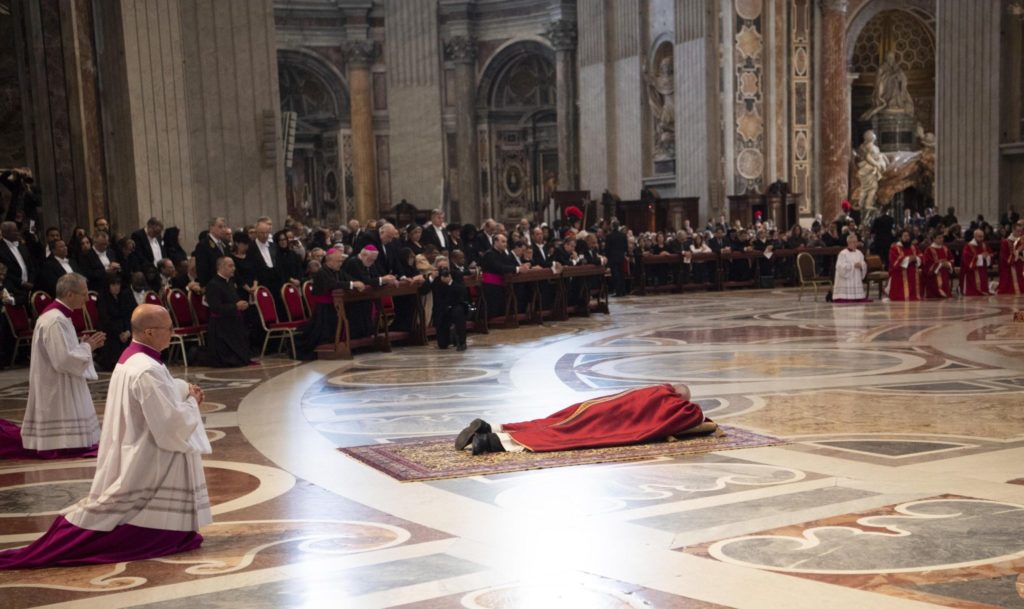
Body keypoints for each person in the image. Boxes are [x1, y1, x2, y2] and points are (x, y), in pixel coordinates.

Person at [0, 304, 211, 569]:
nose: (172, 332)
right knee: (124, 519)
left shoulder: (134, 359)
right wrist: (192, 402)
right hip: (147, 456)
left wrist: (180, 389)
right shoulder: (147, 369)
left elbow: (157, 398)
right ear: (149, 332)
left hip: (135, 443)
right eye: (168, 328)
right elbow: (170, 425)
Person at [0, 274, 106, 459]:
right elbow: (63, 360)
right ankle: (64, 443)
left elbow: (64, 352)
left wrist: (81, 345)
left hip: (58, 379)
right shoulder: (55, 320)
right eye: (83, 294)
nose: (87, 299)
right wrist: (89, 347)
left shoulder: (58, 317)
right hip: (56, 383)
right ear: (70, 294)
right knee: (59, 437)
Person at [454, 383, 716, 455]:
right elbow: (695, 417)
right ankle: (488, 441)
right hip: (609, 423)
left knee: (551, 421)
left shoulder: (656, 389)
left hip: (596, 406)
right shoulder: (674, 405)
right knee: (562, 435)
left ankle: (492, 426)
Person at [296, 249, 366, 358]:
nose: (340, 263)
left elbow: (350, 279)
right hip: (325, 309)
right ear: (329, 261)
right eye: (338, 261)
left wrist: (358, 283)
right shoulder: (322, 272)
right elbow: (333, 284)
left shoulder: (338, 271)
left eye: (341, 261)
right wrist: (353, 284)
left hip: (337, 305)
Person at [198, 257, 252, 367]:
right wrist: (235, 306)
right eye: (230, 266)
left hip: (232, 322)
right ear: (221, 267)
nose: (234, 269)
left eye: (234, 266)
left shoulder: (230, 283)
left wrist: (241, 304)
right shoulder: (213, 284)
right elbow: (215, 307)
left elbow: (233, 300)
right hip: (220, 326)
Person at [431, 255, 468, 351]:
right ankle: (451, 336)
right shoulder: (434, 277)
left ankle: (461, 341)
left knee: (458, 312)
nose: (444, 270)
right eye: (441, 268)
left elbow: (463, 291)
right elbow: (423, 290)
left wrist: (450, 282)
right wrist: (431, 278)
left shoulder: (456, 275)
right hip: (441, 309)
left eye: (445, 268)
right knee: (442, 345)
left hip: (454, 305)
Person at [887, 230, 922, 301]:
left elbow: (921, 256)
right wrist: (908, 259)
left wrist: (916, 258)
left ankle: (913, 295)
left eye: (908, 236)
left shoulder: (914, 247)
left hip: (912, 271)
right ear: (900, 238)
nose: (907, 238)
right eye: (905, 236)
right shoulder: (894, 248)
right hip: (899, 272)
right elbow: (894, 262)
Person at [832, 235, 868, 303]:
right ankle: (844, 296)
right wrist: (853, 265)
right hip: (846, 280)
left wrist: (862, 266)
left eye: (856, 242)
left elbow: (864, 264)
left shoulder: (859, 253)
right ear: (848, 243)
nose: (855, 244)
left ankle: (857, 296)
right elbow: (840, 267)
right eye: (853, 242)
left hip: (856, 277)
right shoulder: (843, 253)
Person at [961, 229, 993, 296]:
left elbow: (990, 253)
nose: (981, 238)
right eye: (979, 236)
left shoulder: (984, 245)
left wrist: (988, 256)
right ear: (974, 236)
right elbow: (967, 259)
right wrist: (981, 257)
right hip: (972, 271)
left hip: (982, 269)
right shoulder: (968, 246)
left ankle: (983, 290)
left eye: (982, 236)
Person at [921, 232, 955, 299]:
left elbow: (951, 259)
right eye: (939, 238)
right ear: (934, 239)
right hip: (934, 276)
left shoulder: (945, 249)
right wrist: (940, 264)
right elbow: (927, 263)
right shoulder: (929, 250)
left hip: (944, 273)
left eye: (942, 238)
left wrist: (948, 264)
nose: (941, 239)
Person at [996, 220, 1024, 295]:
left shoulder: (1021, 241)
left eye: (1021, 231)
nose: (1020, 233)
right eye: (1018, 231)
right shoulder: (1006, 242)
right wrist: (1018, 251)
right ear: (1013, 230)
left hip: (1020, 265)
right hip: (1010, 267)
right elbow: (1004, 257)